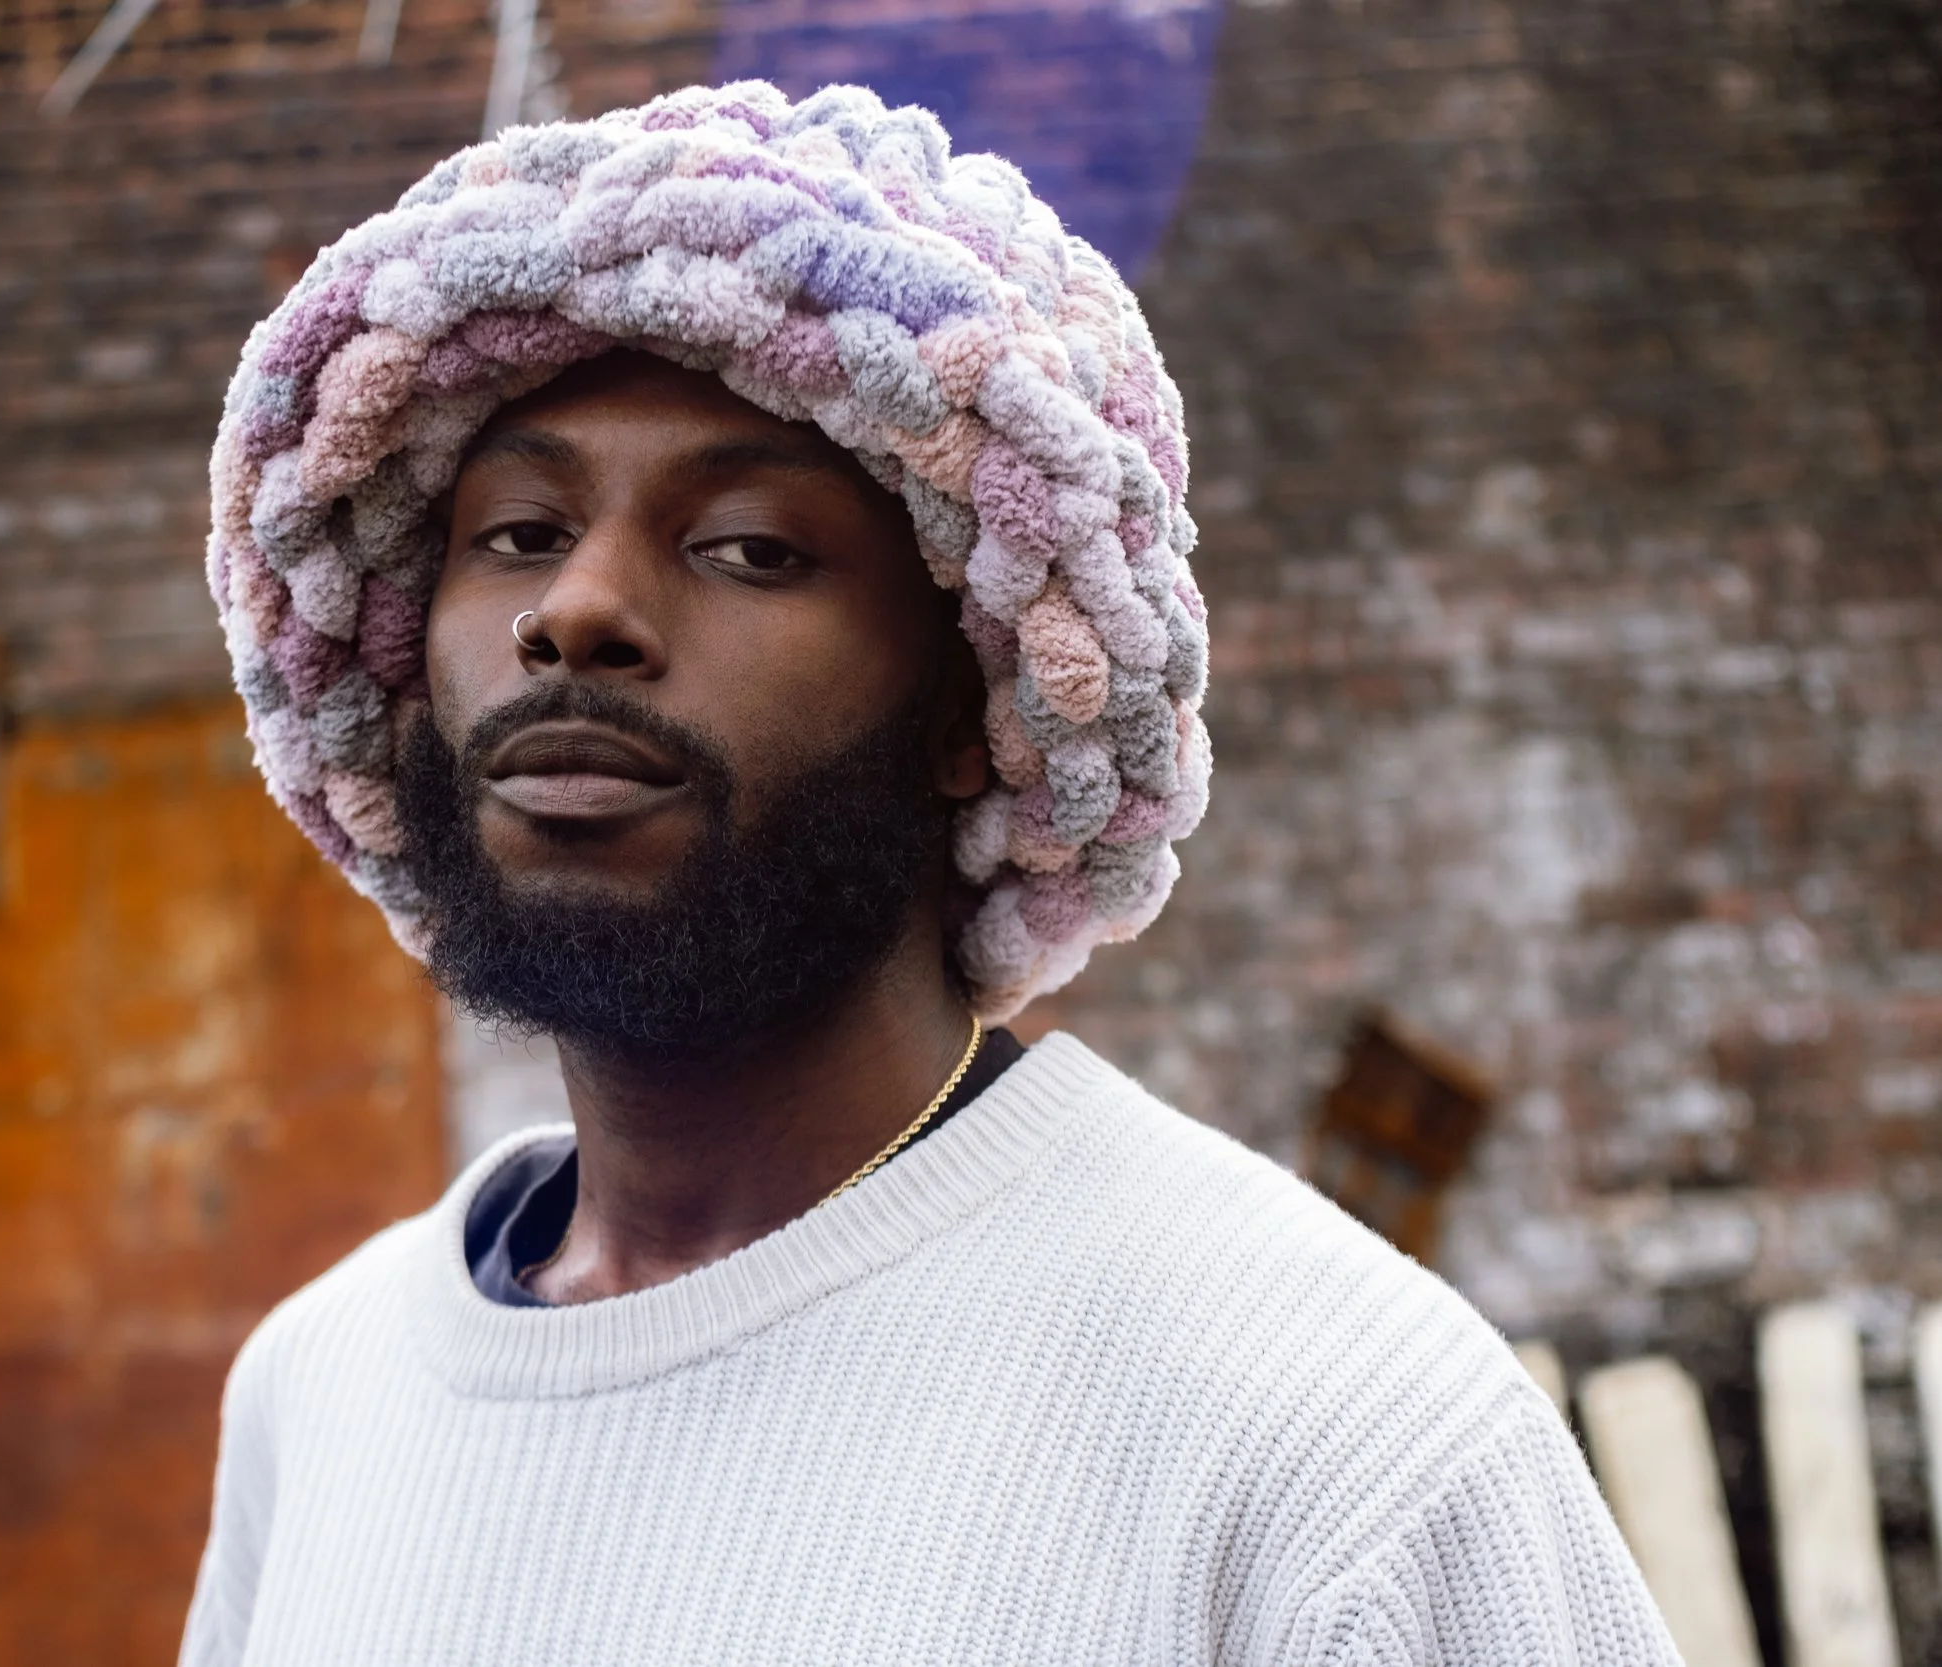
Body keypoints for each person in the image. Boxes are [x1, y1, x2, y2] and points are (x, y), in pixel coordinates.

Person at [183, 81, 1681, 1667]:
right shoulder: (324, 1388)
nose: (578, 609)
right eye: (517, 532)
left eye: (751, 546)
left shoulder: (1330, 1442)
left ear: (978, 709)